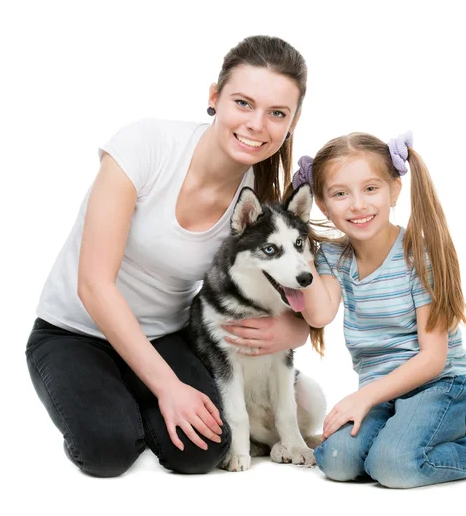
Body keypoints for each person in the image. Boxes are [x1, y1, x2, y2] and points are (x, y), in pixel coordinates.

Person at [25, 35, 312, 477]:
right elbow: (93, 284)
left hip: (165, 334)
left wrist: (293, 331)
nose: (258, 124)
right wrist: (168, 388)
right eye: (243, 102)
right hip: (73, 331)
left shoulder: (257, 203)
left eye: (277, 113)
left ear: (292, 122)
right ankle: (116, 405)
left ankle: (130, 396)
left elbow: (291, 280)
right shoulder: (146, 145)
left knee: (203, 452)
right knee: (107, 452)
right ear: (214, 98)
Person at [293, 131, 466, 488]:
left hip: (442, 384)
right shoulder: (332, 257)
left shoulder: (418, 256)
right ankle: (406, 432)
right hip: (384, 392)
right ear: (324, 207)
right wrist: (299, 252)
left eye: (370, 188)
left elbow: (433, 358)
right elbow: (318, 315)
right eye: (340, 194)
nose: (357, 204)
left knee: (393, 466)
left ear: (394, 190)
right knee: (336, 461)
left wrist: (363, 397)